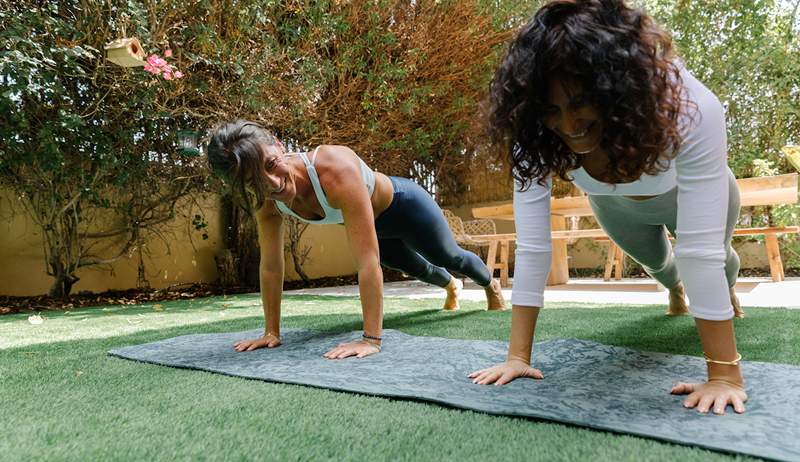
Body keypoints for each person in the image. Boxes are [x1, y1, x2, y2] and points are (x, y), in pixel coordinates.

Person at [469, 0, 748, 415]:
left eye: (581, 102)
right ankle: (675, 291)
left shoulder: (692, 106)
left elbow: (700, 249)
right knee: (662, 267)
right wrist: (518, 357)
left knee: (715, 260)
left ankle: (725, 293)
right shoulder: (530, 128)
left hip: (692, 192)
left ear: (617, 88)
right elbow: (532, 246)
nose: (568, 124)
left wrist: (724, 375)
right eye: (552, 110)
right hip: (617, 205)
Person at [207, 121, 506, 359]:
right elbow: (271, 266)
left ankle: (489, 284)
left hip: (407, 207)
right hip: (375, 226)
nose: (271, 184)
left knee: (449, 257)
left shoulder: (334, 169)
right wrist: (271, 332)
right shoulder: (267, 201)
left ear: (279, 145)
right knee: (420, 270)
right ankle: (450, 286)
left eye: (271, 164)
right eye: (255, 181)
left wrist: (371, 340)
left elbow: (367, 262)